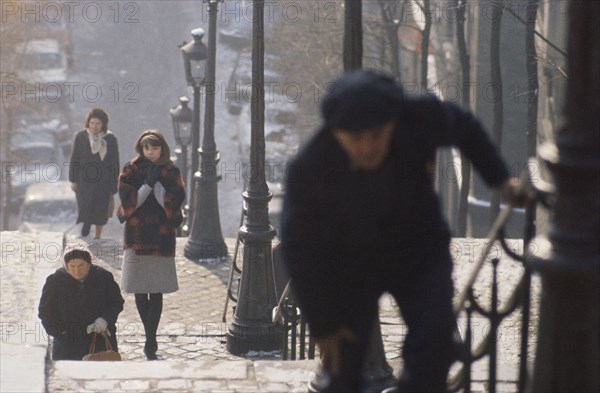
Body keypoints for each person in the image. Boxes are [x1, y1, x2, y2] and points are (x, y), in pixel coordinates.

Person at [280, 70, 526, 392]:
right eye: (356, 139)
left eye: (378, 134)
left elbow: (465, 127)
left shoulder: (418, 117)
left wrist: (501, 180)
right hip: (349, 265)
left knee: (434, 340)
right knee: (344, 365)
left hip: (419, 253)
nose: (369, 147)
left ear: (395, 121)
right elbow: (299, 249)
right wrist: (323, 324)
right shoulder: (310, 167)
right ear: (336, 134)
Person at [117, 129, 185, 360]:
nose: (150, 152)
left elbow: (176, 199)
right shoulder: (130, 169)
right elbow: (128, 203)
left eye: (154, 148)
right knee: (139, 289)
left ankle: (150, 339)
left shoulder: (171, 170)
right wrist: (147, 184)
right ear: (141, 148)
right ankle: (150, 336)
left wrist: (158, 187)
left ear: (161, 148)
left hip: (161, 234)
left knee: (156, 291)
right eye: (147, 148)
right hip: (136, 235)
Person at [38, 244, 124, 360]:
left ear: (89, 263)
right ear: (66, 265)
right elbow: (45, 311)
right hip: (68, 345)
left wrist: (105, 319)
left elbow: (116, 302)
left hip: (99, 338)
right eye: (72, 266)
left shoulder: (103, 277)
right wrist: (60, 333)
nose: (77, 270)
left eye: (81, 265)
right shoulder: (55, 281)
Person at [69, 108, 120, 239]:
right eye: (92, 123)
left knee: (100, 208)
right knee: (85, 204)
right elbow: (75, 159)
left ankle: (98, 235)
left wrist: (114, 184)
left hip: (103, 180)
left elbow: (115, 163)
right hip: (84, 179)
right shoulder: (81, 137)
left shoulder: (110, 139)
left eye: (97, 123)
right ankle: (86, 223)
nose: (94, 126)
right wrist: (73, 180)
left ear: (103, 124)